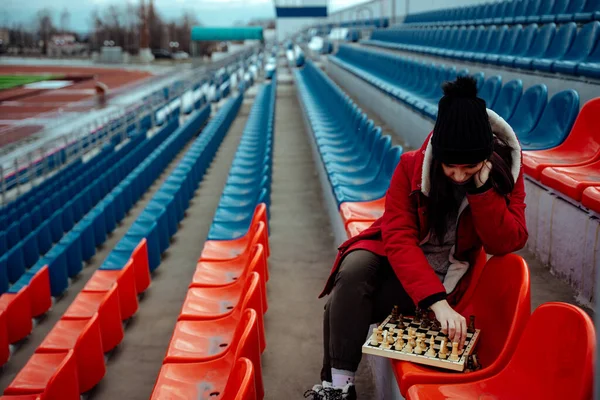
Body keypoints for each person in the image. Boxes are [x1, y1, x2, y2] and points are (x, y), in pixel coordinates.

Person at [305, 76, 528, 399]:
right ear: (438, 155)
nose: (459, 175)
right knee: (353, 271)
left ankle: (336, 388)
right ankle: (339, 389)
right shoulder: (411, 167)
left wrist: (481, 192)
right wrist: (436, 304)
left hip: (444, 274)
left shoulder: (506, 174)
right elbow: (397, 238)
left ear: (486, 156)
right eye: (451, 167)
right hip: (397, 263)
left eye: (470, 167)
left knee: (344, 302)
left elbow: (505, 242)